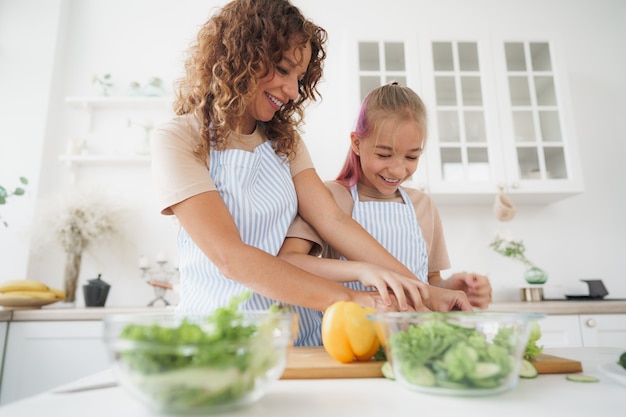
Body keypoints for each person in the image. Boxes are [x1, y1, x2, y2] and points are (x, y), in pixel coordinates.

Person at [151, 0, 471, 346]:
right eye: (284, 70)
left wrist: (421, 292)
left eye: (299, 78)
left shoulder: (284, 142)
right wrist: (354, 299)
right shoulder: (178, 138)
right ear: (241, 57)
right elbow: (232, 258)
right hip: (217, 340)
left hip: (293, 338)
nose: (292, 92)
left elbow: (333, 222)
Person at [280, 82, 492, 309]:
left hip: (408, 340)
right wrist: (362, 270)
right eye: (384, 154)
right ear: (357, 143)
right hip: (348, 339)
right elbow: (288, 264)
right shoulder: (331, 197)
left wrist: (454, 287)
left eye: (411, 157)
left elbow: (429, 283)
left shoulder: (423, 205)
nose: (397, 170)